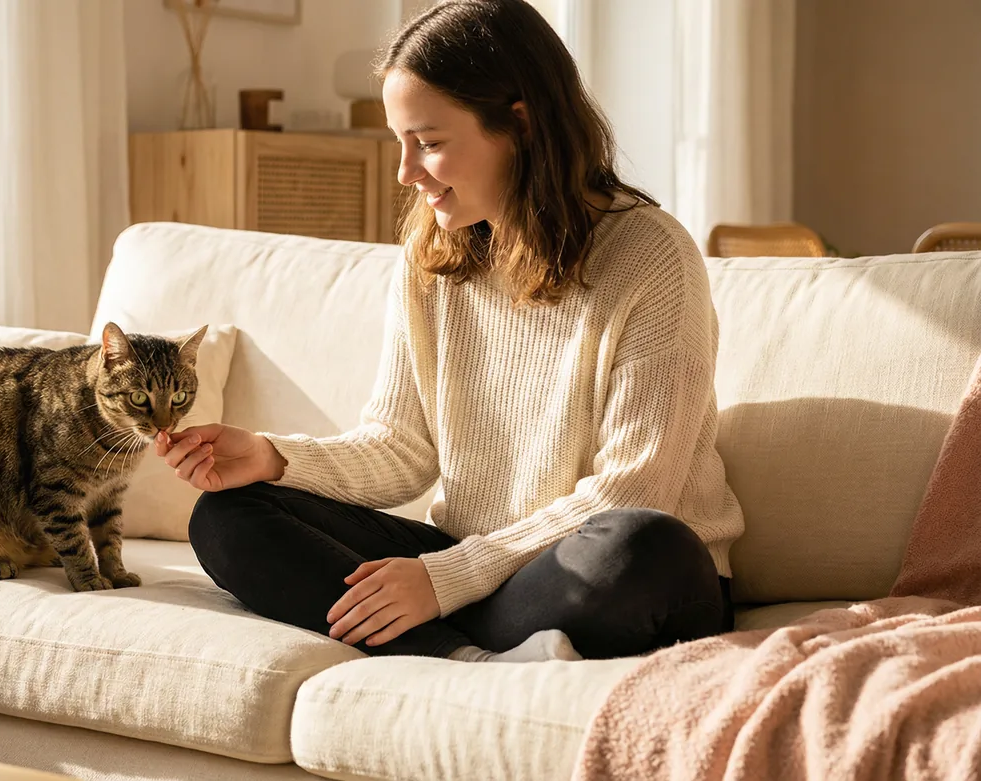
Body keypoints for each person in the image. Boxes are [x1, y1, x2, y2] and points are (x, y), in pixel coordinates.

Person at [154, 0, 744, 663]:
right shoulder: (432, 254)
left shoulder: (652, 256)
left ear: (519, 124)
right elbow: (400, 447)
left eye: (429, 143)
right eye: (399, 141)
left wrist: (445, 579)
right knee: (230, 516)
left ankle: (448, 641)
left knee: (642, 545)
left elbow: (632, 491)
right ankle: (467, 660)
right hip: (478, 573)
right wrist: (273, 456)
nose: (406, 172)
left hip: (601, 571)